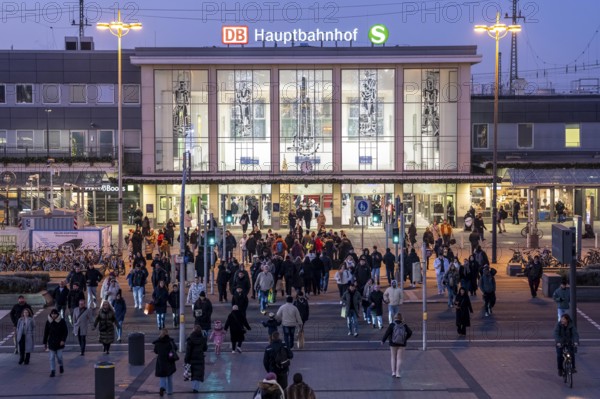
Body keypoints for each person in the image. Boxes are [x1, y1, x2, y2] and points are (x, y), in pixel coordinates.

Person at [381, 312, 412, 378]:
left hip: (393, 343)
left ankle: (393, 372)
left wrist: (383, 340)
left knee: (393, 357)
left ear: (394, 318)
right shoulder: (404, 325)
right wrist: (405, 338)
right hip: (402, 344)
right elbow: (410, 332)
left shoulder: (392, 325)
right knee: (399, 358)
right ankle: (398, 372)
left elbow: (387, 333)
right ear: (401, 318)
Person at [43, 309, 68, 377]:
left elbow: (65, 331)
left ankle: (61, 365)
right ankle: (53, 370)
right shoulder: (48, 322)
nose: (53, 315)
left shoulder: (62, 321)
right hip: (51, 342)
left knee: (59, 356)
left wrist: (63, 340)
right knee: (51, 357)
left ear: (57, 314)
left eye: (55, 314)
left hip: (59, 342)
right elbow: (46, 333)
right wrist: (45, 343)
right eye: (52, 314)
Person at [153, 328, 178, 397]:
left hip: (161, 361)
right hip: (169, 360)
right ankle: (169, 391)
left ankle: (162, 387)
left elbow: (155, 351)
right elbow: (175, 348)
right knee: (169, 376)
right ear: (167, 333)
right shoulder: (170, 341)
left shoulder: (158, 342)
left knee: (162, 376)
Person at [185, 325, 208, 393]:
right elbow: (205, 348)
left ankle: (194, 387)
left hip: (192, 358)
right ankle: (196, 388)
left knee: (193, 373)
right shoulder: (203, 338)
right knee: (198, 373)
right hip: (200, 358)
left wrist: (186, 359)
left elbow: (188, 351)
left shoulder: (190, 339)